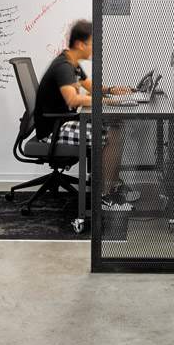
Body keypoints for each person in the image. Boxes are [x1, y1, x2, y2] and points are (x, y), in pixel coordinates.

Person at [34, 19, 139, 211]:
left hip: (62, 122)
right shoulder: (63, 67)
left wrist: (111, 90)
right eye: (92, 44)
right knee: (109, 135)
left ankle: (112, 186)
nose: (95, 48)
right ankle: (105, 197)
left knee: (115, 128)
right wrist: (106, 101)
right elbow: (73, 99)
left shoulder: (72, 64)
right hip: (53, 129)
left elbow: (90, 87)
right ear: (80, 44)